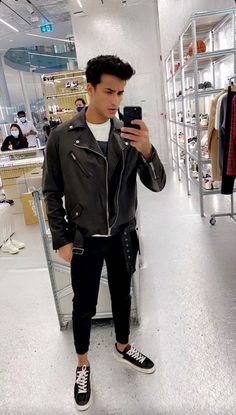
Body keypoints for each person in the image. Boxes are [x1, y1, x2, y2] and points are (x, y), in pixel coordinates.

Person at [43, 54, 166, 411]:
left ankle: (123, 347)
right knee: (82, 305)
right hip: (83, 239)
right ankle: (82, 364)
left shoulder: (127, 135)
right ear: (90, 88)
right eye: (109, 91)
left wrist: (147, 150)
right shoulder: (63, 137)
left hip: (123, 234)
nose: (115, 101)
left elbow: (157, 185)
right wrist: (62, 239)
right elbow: (51, 192)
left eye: (121, 93)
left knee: (122, 295)